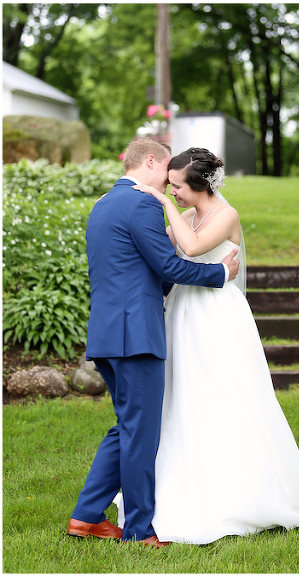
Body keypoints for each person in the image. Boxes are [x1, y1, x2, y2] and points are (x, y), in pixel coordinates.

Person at [122, 147, 299, 545]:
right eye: (168, 187)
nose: (171, 193)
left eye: (177, 187)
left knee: (225, 394)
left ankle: (240, 490)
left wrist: (160, 204)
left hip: (217, 316)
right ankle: (179, 486)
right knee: (181, 396)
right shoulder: (186, 214)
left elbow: (190, 247)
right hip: (183, 313)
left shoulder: (226, 215)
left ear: (199, 185)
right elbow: (163, 249)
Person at [68, 138, 241, 548]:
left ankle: (87, 516)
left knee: (126, 428)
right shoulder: (143, 203)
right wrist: (217, 275)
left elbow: (140, 271)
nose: (169, 185)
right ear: (151, 161)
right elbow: (166, 264)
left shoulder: (104, 203)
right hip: (136, 336)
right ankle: (140, 531)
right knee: (141, 434)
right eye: (167, 175)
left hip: (108, 335)